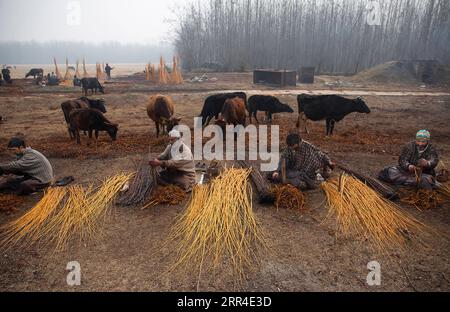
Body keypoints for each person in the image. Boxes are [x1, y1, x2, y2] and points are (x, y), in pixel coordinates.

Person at [270, 133, 335, 190]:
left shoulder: (307, 146)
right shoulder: (289, 148)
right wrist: (277, 171)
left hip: (305, 172)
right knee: (276, 176)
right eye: (291, 147)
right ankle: (289, 179)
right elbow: (282, 161)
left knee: (306, 183)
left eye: (295, 147)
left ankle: (303, 180)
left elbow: (320, 154)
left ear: (299, 142)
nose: (293, 149)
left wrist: (328, 163)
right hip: (293, 170)